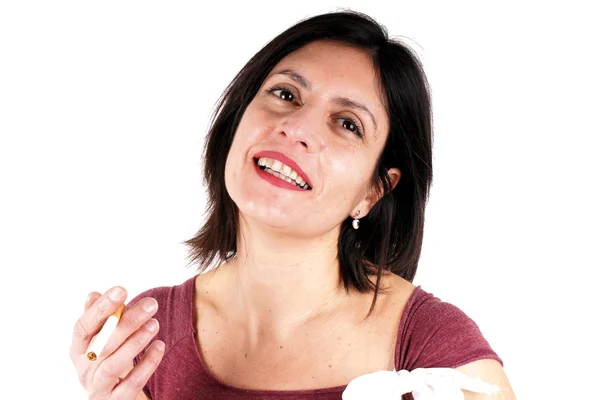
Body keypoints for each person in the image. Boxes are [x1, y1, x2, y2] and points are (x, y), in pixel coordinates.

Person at [70, 10, 516, 400]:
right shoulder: (146, 337)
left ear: (372, 192)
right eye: (286, 95)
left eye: (347, 123)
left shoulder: (435, 350)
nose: (297, 127)